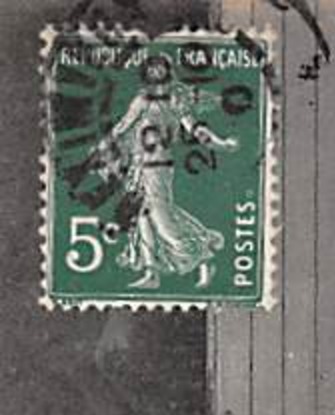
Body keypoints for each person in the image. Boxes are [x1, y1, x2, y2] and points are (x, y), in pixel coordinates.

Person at [95, 55, 237, 289]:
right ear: (146, 74)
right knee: (142, 217)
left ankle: (202, 255)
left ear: (168, 71)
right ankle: (151, 273)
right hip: (139, 164)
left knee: (162, 220)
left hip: (158, 164)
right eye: (152, 70)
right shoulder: (142, 99)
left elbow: (196, 129)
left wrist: (220, 144)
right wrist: (105, 144)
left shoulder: (176, 99)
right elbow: (124, 125)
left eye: (160, 69)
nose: (156, 73)